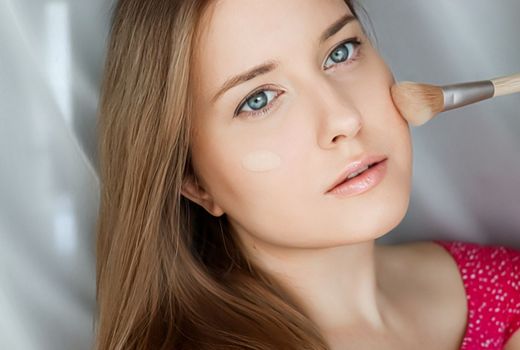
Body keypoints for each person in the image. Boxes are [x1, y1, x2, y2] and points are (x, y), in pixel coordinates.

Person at [94, 0, 520, 349]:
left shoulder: (500, 282)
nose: (344, 118)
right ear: (193, 181)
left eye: (340, 52)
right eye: (259, 99)